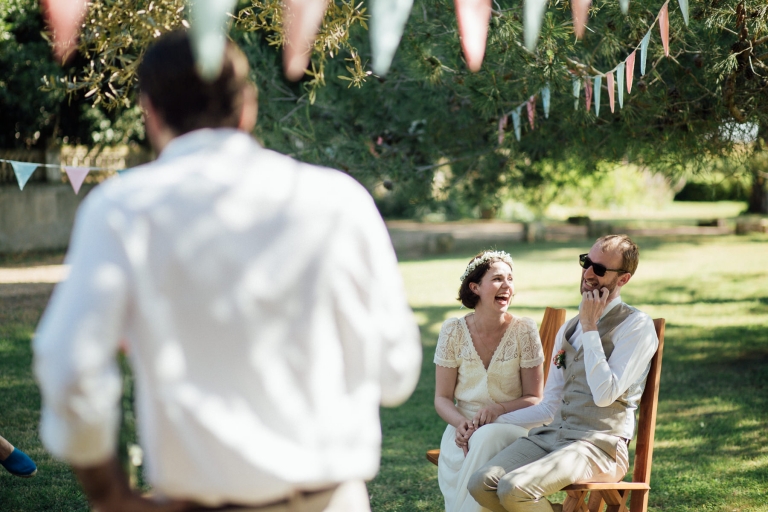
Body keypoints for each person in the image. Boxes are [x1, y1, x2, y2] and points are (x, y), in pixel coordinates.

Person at [33, 31, 421, 512]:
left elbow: (68, 364)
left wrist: (109, 493)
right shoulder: (340, 201)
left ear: (149, 112)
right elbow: (396, 373)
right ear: (248, 106)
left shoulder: (123, 209)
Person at [466, 235, 659, 512]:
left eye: (600, 269)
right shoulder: (569, 328)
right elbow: (550, 406)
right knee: (481, 483)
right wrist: (493, 418)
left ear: (623, 279)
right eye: (586, 262)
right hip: (553, 436)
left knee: (514, 489)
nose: (588, 273)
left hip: (599, 447)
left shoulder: (636, 326)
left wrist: (590, 325)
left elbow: (605, 395)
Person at [434, 250, 544, 512]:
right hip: (463, 433)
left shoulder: (524, 330)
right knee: (479, 439)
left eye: (510, 279)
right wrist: (460, 424)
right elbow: (442, 398)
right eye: (497, 279)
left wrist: (499, 409)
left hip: (515, 427)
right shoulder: (452, 331)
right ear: (475, 287)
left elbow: (535, 398)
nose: (507, 286)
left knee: (487, 436)